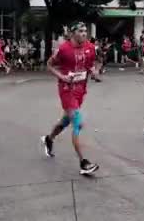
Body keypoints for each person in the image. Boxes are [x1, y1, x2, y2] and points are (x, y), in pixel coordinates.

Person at [41, 22, 100, 175]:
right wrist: (62, 77)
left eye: (85, 31)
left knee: (64, 121)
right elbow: (49, 65)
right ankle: (83, 163)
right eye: (80, 31)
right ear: (72, 33)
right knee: (77, 122)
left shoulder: (90, 47)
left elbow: (91, 64)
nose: (84, 34)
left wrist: (94, 72)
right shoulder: (63, 49)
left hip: (81, 90)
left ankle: (49, 138)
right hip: (66, 90)